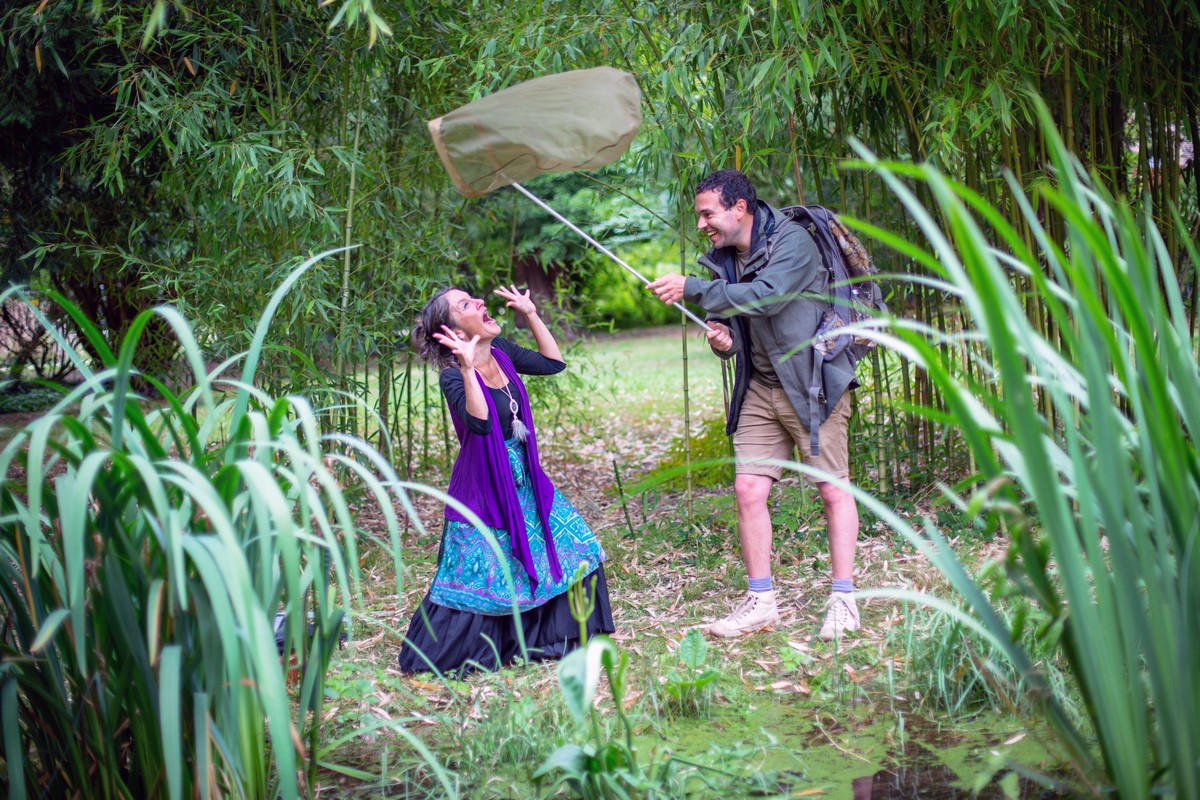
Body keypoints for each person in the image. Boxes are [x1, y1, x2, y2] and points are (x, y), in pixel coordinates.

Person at [647, 169, 862, 641]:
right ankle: (762, 601)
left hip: (811, 384)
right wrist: (722, 342)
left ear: (738, 208)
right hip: (762, 387)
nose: (701, 223)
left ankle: (844, 600)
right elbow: (731, 325)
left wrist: (691, 287)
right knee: (748, 490)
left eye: (707, 213)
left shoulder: (794, 243)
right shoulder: (726, 257)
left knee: (832, 490)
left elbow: (768, 298)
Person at [398, 285, 614, 675]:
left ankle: (546, 637)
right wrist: (467, 367)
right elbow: (480, 424)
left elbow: (554, 363)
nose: (480, 302)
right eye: (466, 305)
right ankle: (460, 650)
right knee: (480, 575)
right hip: (482, 485)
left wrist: (531, 314)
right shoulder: (452, 378)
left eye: (474, 298)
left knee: (576, 547)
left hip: (525, 476)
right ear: (457, 333)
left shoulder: (503, 354)